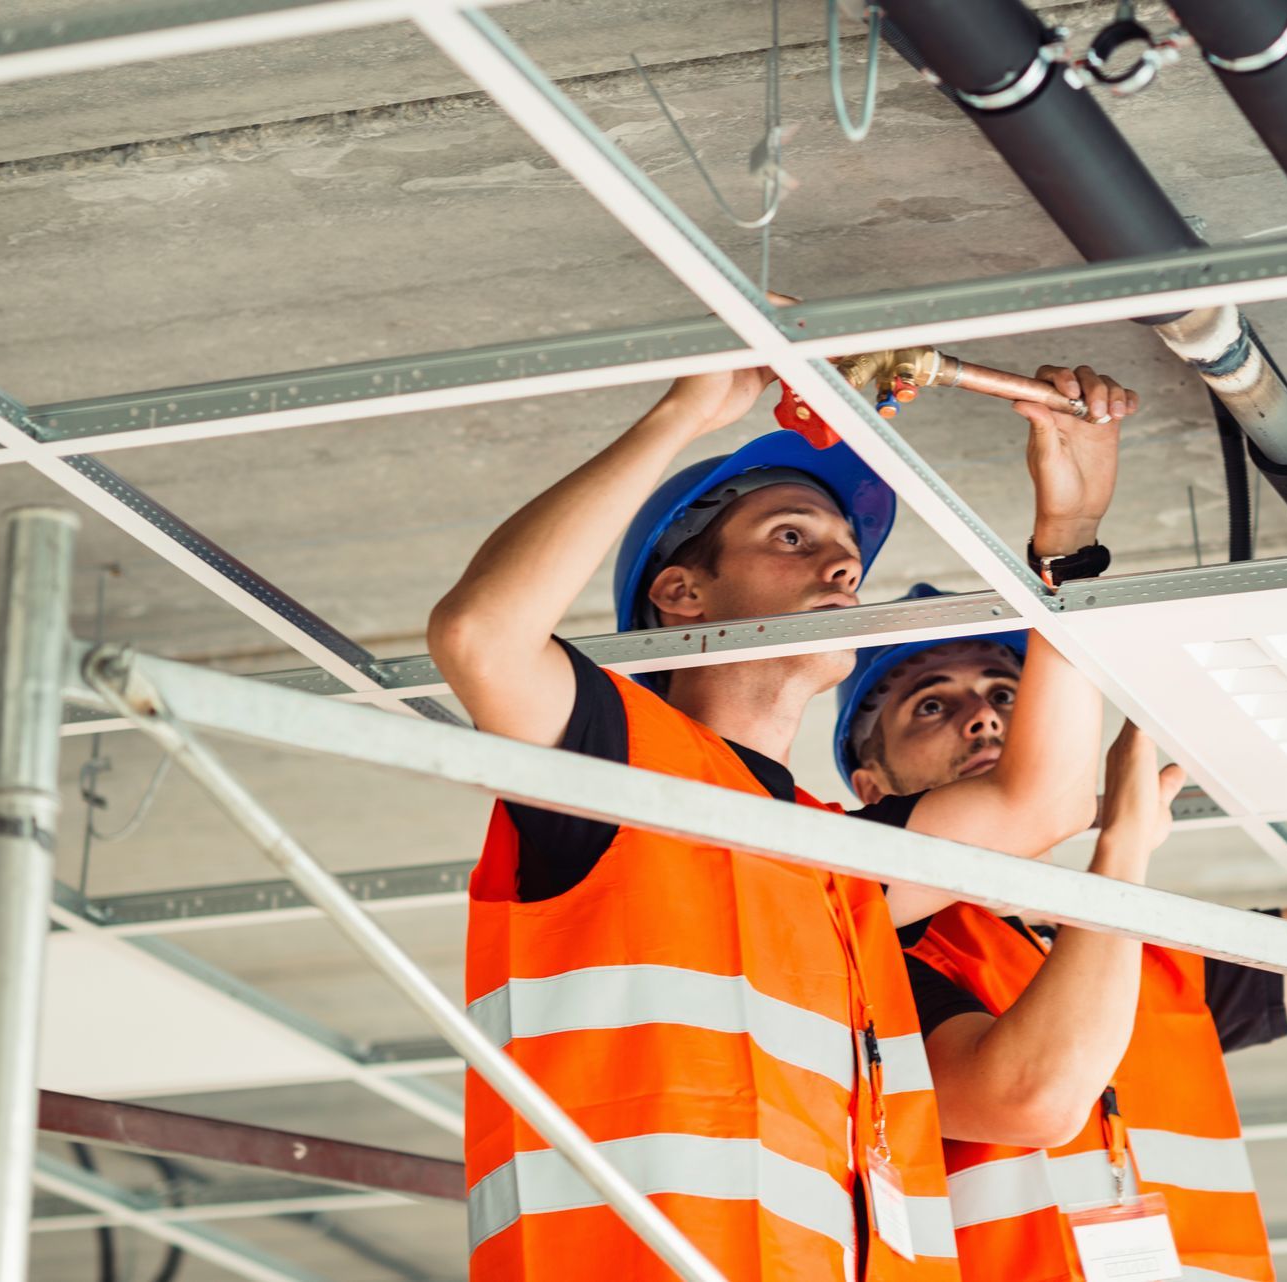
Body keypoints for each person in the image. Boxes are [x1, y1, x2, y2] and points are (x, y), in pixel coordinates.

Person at [429, 342, 1138, 1281]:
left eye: (845, 554)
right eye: (794, 537)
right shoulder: (616, 763)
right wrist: (680, 415)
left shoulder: (823, 859)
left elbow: (1041, 801)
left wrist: (1072, 531)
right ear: (682, 594)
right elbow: (480, 633)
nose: (844, 567)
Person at [840, 594, 1287, 1275]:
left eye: (1006, 693)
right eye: (931, 705)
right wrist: (1123, 848)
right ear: (874, 789)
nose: (981, 716)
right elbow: (1026, 1098)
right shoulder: (871, 960)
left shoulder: (1152, 962)